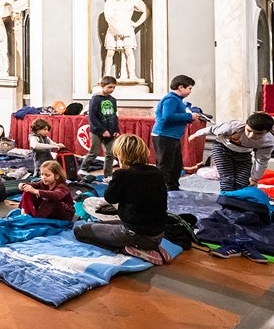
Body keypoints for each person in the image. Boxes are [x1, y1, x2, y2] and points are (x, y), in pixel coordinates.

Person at [73, 134, 171, 265]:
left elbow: (110, 198)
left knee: (80, 231)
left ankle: (128, 249)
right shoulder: (157, 172)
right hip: (158, 233)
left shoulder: (123, 174)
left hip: (135, 233)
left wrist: (115, 180)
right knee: (102, 224)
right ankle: (150, 246)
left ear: (121, 154)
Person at [187, 112, 274, 191]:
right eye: (249, 130)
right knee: (227, 179)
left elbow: (261, 161)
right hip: (222, 149)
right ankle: (227, 201)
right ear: (246, 125)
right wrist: (195, 135)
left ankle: (239, 202)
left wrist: (255, 178)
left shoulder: (268, 142)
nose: (251, 135)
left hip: (244, 154)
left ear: (267, 132)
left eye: (258, 133)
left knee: (243, 182)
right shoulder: (234, 126)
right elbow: (212, 129)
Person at [151, 75, 200, 191]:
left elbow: (175, 115)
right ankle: (160, 189)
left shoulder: (177, 100)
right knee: (165, 165)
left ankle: (172, 186)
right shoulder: (171, 99)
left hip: (171, 136)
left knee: (176, 165)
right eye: (190, 88)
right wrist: (189, 116)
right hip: (164, 135)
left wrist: (190, 118)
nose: (190, 91)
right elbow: (168, 116)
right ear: (181, 87)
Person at [102, 0, 147, 80]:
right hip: (113, 28)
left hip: (127, 28)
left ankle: (132, 75)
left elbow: (146, 11)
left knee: (128, 51)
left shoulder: (131, 0)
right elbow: (108, 17)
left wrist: (136, 24)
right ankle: (106, 75)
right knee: (110, 52)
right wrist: (117, 29)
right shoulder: (110, 2)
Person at [78, 76, 119, 180]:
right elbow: (92, 117)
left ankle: (107, 175)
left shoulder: (113, 100)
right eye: (110, 87)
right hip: (97, 130)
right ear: (103, 86)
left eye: (114, 87)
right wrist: (102, 130)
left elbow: (114, 115)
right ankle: (83, 169)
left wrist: (116, 129)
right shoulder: (95, 99)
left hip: (110, 131)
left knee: (110, 154)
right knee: (94, 152)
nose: (112, 90)